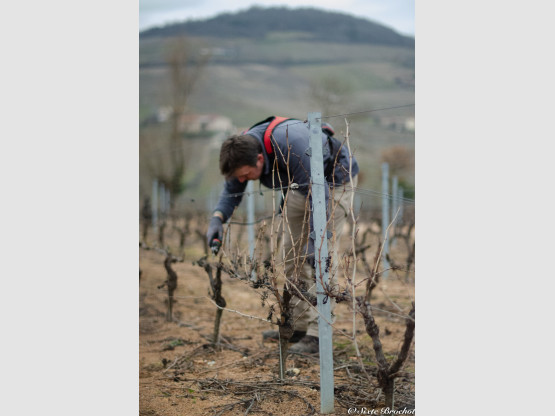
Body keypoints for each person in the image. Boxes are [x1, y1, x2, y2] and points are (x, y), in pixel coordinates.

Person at [206, 116, 359, 353]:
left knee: (322, 256)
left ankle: (319, 334)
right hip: (300, 185)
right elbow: (232, 190)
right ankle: (296, 325)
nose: (243, 180)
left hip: (333, 182)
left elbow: (319, 196)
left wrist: (313, 240)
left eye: (246, 175)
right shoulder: (243, 151)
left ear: (259, 159)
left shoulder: (292, 142)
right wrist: (217, 219)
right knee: (290, 254)